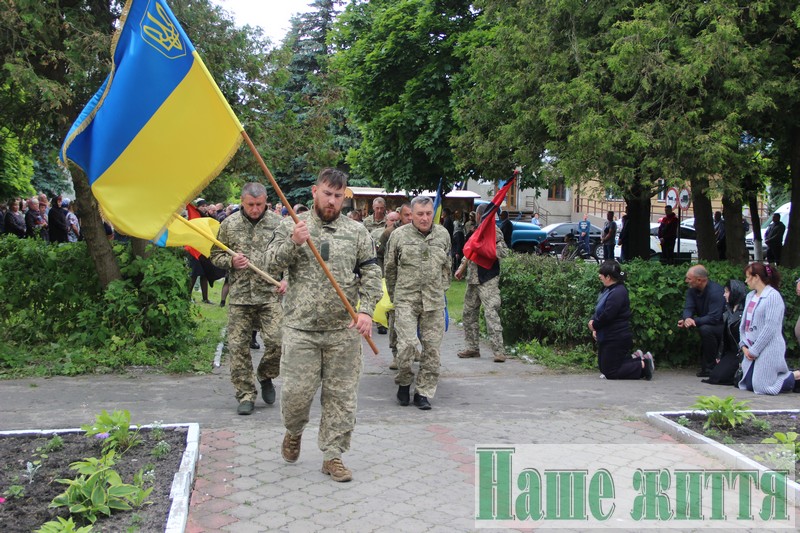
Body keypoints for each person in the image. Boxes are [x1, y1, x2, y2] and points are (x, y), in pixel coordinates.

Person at [266, 168, 381, 482]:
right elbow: (269, 264)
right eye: (327, 194)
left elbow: (372, 275)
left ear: (344, 198)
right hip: (300, 330)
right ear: (314, 191)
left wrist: (367, 312)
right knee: (296, 396)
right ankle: (293, 431)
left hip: (342, 332)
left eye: (338, 196)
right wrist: (293, 242)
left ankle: (333, 455)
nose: (332, 201)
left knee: (341, 397)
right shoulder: (292, 224)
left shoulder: (357, 233)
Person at [210, 182, 286, 416]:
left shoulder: (278, 224)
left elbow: (293, 256)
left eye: (260, 204)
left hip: (269, 295)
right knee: (238, 347)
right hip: (241, 296)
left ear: (266, 202)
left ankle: (265, 375)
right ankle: (245, 393)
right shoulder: (229, 224)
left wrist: (287, 280)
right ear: (243, 202)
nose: (255, 209)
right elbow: (215, 255)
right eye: (251, 205)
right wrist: (230, 262)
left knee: (277, 341)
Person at [385, 195, 451, 410]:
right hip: (406, 300)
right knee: (407, 346)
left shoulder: (443, 235)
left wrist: (442, 289)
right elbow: (390, 269)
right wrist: (396, 297)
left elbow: (447, 265)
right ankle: (404, 383)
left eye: (428, 214)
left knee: (432, 351)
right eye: (420, 214)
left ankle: (423, 392)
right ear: (411, 215)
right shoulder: (398, 236)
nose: (424, 218)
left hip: (433, 302)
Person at [455, 202, 508, 363]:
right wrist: (461, 268)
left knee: (491, 313)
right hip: (473, 279)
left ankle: (499, 351)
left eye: (477, 214)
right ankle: (472, 347)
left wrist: (485, 248)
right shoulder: (477, 232)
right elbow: (470, 251)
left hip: (488, 279)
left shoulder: (494, 232)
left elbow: (503, 252)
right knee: (469, 314)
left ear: (480, 216)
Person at [738, 263, 800, 394]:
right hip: (750, 346)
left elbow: (770, 328)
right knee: (747, 383)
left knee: (761, 387)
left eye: (748, 277)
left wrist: (754, 350)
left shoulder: (773, 296)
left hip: (768, 347)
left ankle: (792, 376)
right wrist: (744, 345)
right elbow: (743, 325)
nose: (746, 280)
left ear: (756, 277)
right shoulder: (750, 296)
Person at [588, 261, 652, 380]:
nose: (599, 276)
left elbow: (608, 315)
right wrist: (594, 323)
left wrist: (595, 325)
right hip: (608, 335)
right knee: (604, 367)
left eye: (601, 274)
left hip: (616, 336)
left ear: (608, 277)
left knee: (611, 372)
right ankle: (636, 358)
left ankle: (643, 365)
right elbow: (599, 309)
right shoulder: (608, 289)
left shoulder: (618, 292)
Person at [678, 265, 726, 377]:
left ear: (699, 280)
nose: (686, 281)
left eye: (689, 279)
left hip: (720, 325)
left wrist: (693, 321)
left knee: (706, 330)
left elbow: (714, 318)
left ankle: (710, 367)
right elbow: (688, 308)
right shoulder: (692, 291)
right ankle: (707, 366)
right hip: (706, 322)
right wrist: (687, 319)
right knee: (704, 328)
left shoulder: (716, 292)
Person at [703, 280, 746, 386]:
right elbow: (725, 337)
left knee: (720, 377)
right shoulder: (728, 311)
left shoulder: (744, 312)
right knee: (715, 376)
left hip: (741, 351)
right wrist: (720, 355)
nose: (724, 294)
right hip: (731, 351)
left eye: (727, 292)